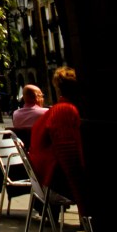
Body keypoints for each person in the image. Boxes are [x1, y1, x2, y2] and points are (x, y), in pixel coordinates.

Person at [29, 67, 89, 217]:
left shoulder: (54, 111)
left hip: (42, 184)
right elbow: (70, 160)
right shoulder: (64, 111)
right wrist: (84, 207)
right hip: (53, 186)